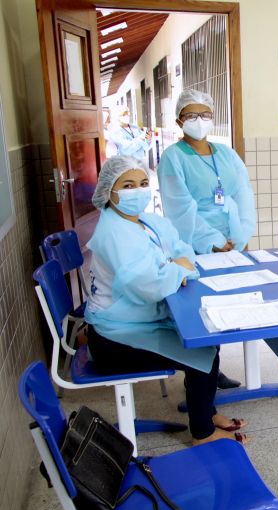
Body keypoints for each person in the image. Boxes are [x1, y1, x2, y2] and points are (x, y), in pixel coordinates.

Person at [85, 155, 248, 445]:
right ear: (109, 191)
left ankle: (205, 413)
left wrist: (175, 266)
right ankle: (202, 433)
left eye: (143, 183)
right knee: (202, 352)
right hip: (115, 338)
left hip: (139, 320)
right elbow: (147, 284)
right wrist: (176, 268)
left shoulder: (146, 221)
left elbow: (181, 248)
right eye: (128, 185)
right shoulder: (113, 232)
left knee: (208, 339)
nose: (138, 191)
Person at [158, 88, 256, 389]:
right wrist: (211, 239)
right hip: (196, 243)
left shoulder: (226, 154)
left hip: (231, 243)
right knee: (201, 310)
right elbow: (179, 206)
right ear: (179, 121)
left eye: (204, 115)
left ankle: (213, 369)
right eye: (191, 115)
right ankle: (198, 377)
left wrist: (239, 234)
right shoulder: (173, 158)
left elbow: (243, 193)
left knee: (224, 306)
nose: (198, 121)